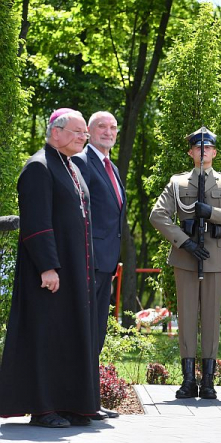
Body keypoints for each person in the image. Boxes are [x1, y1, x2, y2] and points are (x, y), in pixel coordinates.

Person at [0, 108, 99, 428]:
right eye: (77, 131)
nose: (83, 137)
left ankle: (72, 404)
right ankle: (43, 408)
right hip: (48, 274)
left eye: (85, 132)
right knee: (46, 337)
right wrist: (48, 267)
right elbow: (36, 223)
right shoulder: (38, 168)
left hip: (72, 271)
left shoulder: (70, 166)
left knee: (67, 336)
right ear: (55, 132)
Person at [150, 127, 221, 399]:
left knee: (210, 319)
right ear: (191, 152)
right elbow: (157, 216)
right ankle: (187, 380)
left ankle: (207, 381)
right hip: (185, 256)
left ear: (215, 152)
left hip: (214, 258)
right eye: (198, 147)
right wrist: (185, 241)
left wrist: (214, 213)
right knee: (186, 318)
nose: (203, 150)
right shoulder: (177, 183)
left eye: (208, 147)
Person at [72, 111, 126, 420]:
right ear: (90, 133)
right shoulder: (81, 162)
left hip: (105, 264)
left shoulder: (112, 168)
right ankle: (80, 403)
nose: (108, 132)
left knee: (97, 333)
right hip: (87, 262)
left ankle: (89, 401)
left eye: (113, 127)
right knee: (85, 332)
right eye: (101, 127)